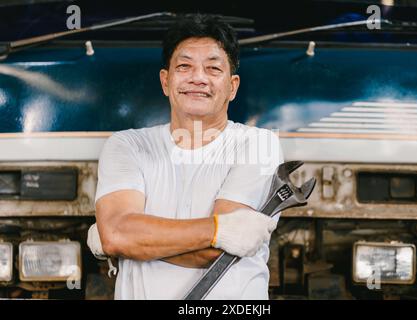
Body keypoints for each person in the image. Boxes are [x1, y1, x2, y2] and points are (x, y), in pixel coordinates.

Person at [87, 13, 284, 300]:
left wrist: (128, 240)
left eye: (213, 69)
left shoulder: (259, 145)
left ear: (233, 86)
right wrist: (221, 229)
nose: (198, 78)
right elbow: (117, 234)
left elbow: (217, 252)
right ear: (166, 81)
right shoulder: (126, 145)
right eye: (184, 66)